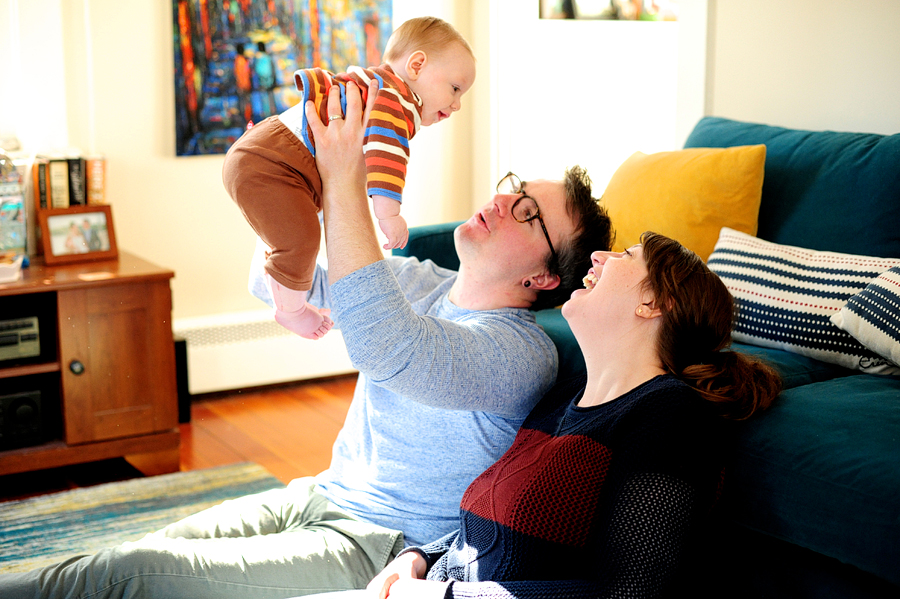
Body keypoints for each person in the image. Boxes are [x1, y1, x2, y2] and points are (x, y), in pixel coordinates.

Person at [0, 73, 614, 599]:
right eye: (516, 190)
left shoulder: (522, 353)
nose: (505, 202)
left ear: (544, 275)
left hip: (377, 543)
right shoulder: (424, 282)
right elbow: (270, 281)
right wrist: (296, 167)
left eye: (530, 214)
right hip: (314, 495)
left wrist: (346, 173)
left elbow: (389, 348)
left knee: (128, 576)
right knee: (135, 556)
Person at [358, 231, 783, 599]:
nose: (600, 256)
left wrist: (442, 595)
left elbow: (627, 591)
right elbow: (493, 529)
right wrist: (418, 557)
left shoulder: (671, 417)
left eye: (627, 256)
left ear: (654, 303)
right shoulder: (560, 401)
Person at [223, 16, 477, 340]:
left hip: (267, 149)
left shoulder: (374, 85)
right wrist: (390, 215)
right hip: (277, 161)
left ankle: (279, 278)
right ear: (416, 65)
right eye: (455, 89)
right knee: (301, 239)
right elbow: (387, 159)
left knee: (300, 231)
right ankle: (291, 310)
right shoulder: (393, 101)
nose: (456, 105)